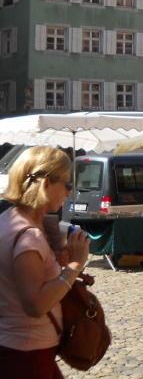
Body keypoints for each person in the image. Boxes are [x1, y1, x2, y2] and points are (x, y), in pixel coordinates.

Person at [0, 146, 91, 378]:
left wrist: (53, 259)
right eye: (67, 184)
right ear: (46, 183)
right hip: (27, 351)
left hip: (20, 345)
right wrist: (75, 266)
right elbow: (36, 305)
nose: (69, 193)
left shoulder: (7, 219)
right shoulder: (28, 234)